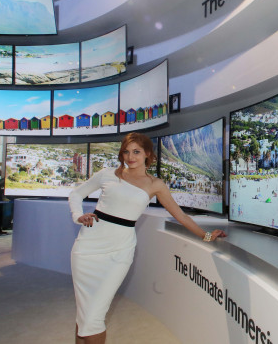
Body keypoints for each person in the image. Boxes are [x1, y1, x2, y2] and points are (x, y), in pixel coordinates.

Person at [69, 132, 226, 344]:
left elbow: (180, 216)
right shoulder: (107, 174)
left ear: (147, 154)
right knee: (85, 313)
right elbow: (76, 194)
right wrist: (78, 216)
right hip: (87, 248)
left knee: (93, 317)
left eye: (136, 151)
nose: (130, 156)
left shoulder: (156, 185)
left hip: (119, 252)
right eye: (126, 151)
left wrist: (206, 235)